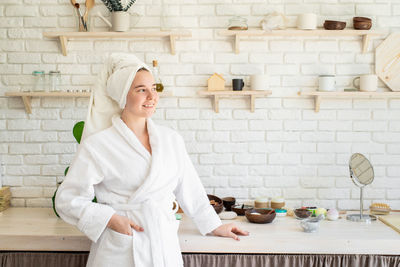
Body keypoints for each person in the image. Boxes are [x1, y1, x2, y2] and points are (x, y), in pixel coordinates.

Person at [55, 53, 249, 267]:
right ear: (122, 97)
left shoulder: (170, 139)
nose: (152, 96)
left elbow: (190, 188)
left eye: (153, 88)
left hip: (163, 243)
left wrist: (215, 225)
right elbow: (67, 199)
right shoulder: (98, 145)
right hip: (120, 248)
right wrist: (111, 219)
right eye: (141, 90)